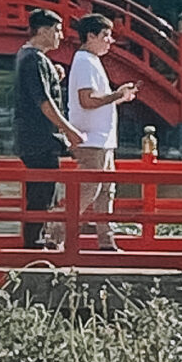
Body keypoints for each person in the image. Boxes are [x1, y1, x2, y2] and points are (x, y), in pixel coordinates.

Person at [67, 14, 135, 253]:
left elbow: (96, 101)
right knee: (89, 189)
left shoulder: (92, 60)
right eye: (106, 35)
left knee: (106, 191)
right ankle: (54, 233)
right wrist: (117, 95)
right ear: (90, 36)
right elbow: (86, 100)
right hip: (91, 139)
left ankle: (106, 241)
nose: (110, 40)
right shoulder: (85, 60)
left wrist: (118, 97)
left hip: (103, 138)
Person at [13, 7, 74, 249]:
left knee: (44, 190)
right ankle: (34, 241)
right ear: (44, 31)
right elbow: (44, 102)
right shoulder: (33, 59)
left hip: (35, 137)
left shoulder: (31, 57)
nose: (60, 35)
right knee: (42, 191)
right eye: (57, 31)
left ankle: (38, 237)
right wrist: (69, 130)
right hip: (39, 136)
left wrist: (53, 74)